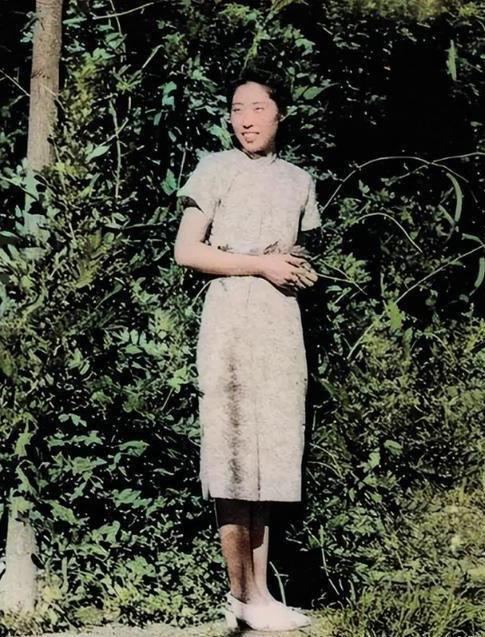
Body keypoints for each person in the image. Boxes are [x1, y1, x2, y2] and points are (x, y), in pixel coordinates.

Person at [173, 73, 321, 631]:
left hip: (280, 327)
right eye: (238, 109)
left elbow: (296, 254)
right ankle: (241, 596)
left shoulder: (299, 181)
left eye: (258, 108)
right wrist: (261, 265)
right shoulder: (215, 169)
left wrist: (301, 271)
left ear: (281, 114)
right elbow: (187, 251)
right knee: (234, 455)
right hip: (231, 323)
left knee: (271, 457)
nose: (247, 120)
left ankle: (260, 595)